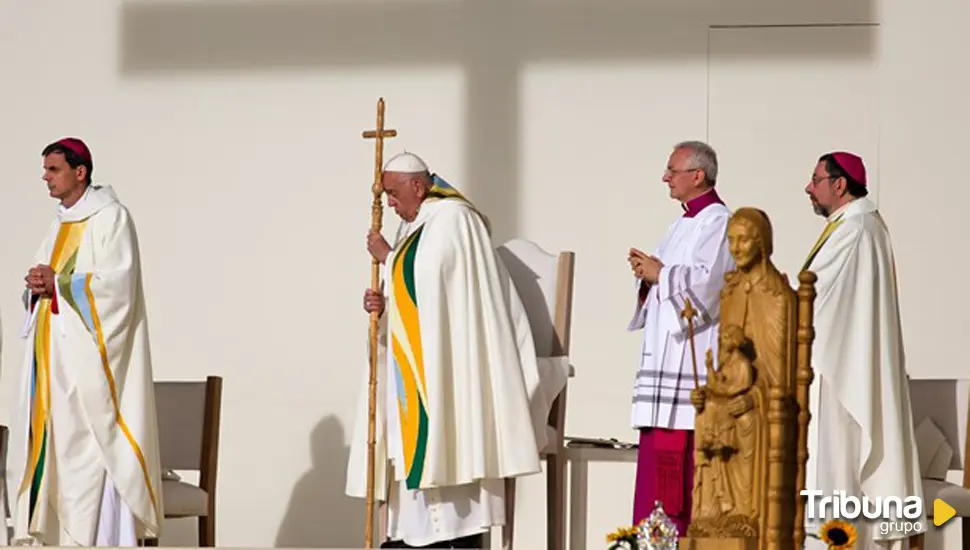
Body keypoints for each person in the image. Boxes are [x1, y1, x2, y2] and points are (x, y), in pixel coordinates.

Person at [345, 151, 560, 548]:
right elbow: (417, 301)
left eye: (393, 193)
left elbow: (431, 280)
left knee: (446, 434)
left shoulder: (456, 219)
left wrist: (388, 261)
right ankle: (409, 537)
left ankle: (453, 538)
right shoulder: (414, 227)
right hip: (420, 366)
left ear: (417, 186)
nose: (390, 203)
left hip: (454, 371)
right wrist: (383, 304)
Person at [6, 138, 164, 546]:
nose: (45, 177)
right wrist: (36, 286)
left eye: (53, 169)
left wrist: (56, 284)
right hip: (54, 362)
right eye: (44, 169)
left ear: (80, 172)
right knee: (58, 448)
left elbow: (118, 289)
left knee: (92, 449)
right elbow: (47, 283)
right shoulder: (60, 223)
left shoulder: (111, 218)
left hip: (89, 367)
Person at [801, 151, 923, 549]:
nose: (808, 187)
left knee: (839, 463)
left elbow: (813, 300)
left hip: (840, 375)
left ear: (840, 184)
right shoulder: (858, 226)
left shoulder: (855, 231)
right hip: (844, 364)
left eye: (816, 180)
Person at [627, 140, 735, 534]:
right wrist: (647, 275)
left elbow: (709, 287)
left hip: (688, 365)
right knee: (655, 469)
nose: (665, 177)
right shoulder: (680, 223)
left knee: (678, 474)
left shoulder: (720, 222)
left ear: (697, 175)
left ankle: (674, 539)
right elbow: (668, 277)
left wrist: (661, 274)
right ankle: (650, 538)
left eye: (672, 170)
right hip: (663, 365)